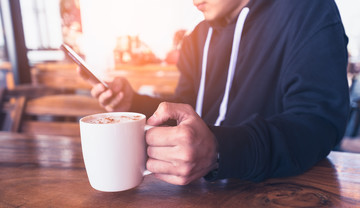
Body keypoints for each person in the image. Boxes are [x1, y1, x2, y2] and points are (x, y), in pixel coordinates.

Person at [84, 0, 350, 185]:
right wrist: (134, 101)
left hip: (284, 202)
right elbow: (187, 108)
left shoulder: (308, 11)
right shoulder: (197, 38)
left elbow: (318, 125)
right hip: (195, 198)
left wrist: (219, 151)